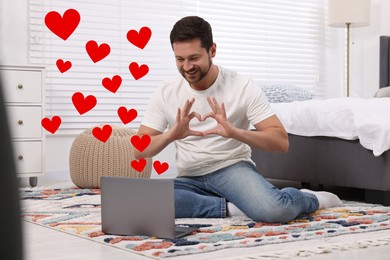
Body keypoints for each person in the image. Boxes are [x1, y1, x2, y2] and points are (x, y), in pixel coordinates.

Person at [135, 16, 342, 223]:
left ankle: (311, 198)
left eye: (194, 58)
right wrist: (171, 135)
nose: (187, 67)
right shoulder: (166, 92)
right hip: (189, 177)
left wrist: (235, 132)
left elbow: (281, 142)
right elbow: (139, 150)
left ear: (212, 51)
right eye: (180, 59)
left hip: (231, 169)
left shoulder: (241, 86)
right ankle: (233, 208)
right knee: (138, 202)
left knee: (275, 211)